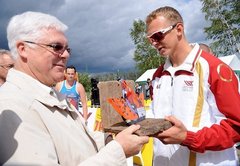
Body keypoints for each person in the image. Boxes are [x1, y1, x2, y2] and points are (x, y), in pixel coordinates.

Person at [0, 11, 149, 165]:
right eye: (56, 47)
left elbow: (76, 140)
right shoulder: (13, 105)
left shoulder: (48, 93)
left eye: (67, 49)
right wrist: (118, 150)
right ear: (23, 49)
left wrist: (110, 140)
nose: (65, 55)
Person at [146, 6, 240, 166]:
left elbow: (236, 126)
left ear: (179, 29)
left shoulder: (214, 68)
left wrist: (188, 137)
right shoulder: (157, 76)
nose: (154, 43)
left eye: (158, 35)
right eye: (150, 39)